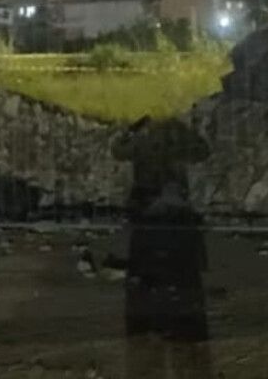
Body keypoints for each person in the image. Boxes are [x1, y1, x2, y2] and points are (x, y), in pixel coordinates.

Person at [112, 117, 212, 378]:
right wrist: (132, 131)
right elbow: (119, 151)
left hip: (167, 209)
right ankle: (160, 322)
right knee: (154, 268)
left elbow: (201, 152)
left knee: (170, 270)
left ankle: (165, 324)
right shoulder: (144, 131)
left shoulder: (173, 130)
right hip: (151, 208)